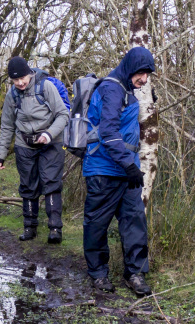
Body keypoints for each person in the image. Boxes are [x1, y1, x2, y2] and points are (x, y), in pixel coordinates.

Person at [82, 47, 155, 296]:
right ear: (131, 67)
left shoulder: (127, 89)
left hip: (126, 170)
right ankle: (99, 274)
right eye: (142, 73)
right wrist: (129, 165)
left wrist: (130, 166)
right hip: (103, 170)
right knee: (97, 224)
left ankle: (134, 273)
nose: (144, 79)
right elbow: (108, 133)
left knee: (134, 221)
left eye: (148, 75)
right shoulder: (112, 88)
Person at [0, 57, 69, 244]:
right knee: (28, 185)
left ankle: (55, 229)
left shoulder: (45, 87)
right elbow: (7, 126)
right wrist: (1, 154)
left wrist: (50, 134)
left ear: (29, 73)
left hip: (50, 143)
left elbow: (63, 114)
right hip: (24, 144)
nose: (20, 83)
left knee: (51, 183)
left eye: (22, 78)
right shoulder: (12, 94)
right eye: (15, 80)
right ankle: (29, 227)